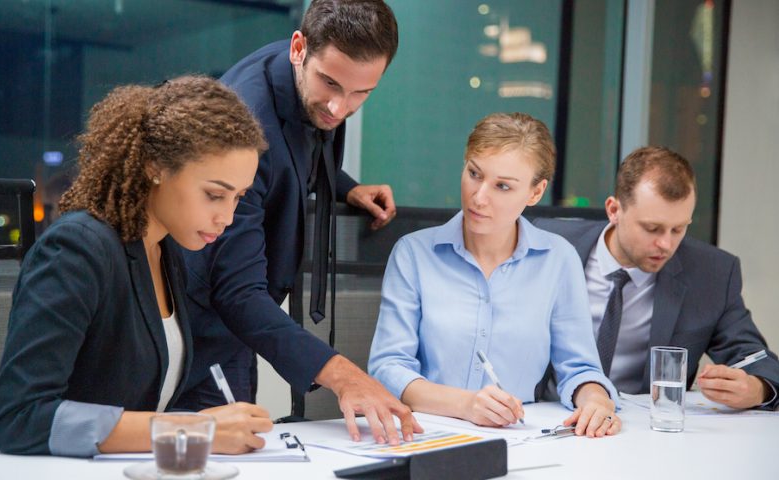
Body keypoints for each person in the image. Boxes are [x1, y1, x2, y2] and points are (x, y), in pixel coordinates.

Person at [0, 75, 274, 456]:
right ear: (155, 167)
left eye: (238, 198)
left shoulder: (164, 251)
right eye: (214, 195)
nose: (226, 216)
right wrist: (192, 429)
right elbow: (21, 418)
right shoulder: (77, 249)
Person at [180, 0, 419, 444]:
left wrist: (343, 185)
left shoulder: (315, 76)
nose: (338, 106)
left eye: (360, 94)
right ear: (299, 48)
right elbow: (234, 289)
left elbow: (305, 145)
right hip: (201, 325)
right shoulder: (246, 129)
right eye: (329, 83)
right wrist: (343, 375)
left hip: (241, 321)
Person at [368, 113, 621, 438]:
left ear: (535, 192)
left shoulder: (558, 260)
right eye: (474, 173)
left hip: (519, 438)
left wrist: (596, 401)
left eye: (502, 186)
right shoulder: (414, 254)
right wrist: (467, 405)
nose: (479, 196)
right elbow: (389, 367)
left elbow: (580, 368)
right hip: (426, 436)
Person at [535, 146, 779, 410]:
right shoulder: (547, 244)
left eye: (678, 229)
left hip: (642, 429)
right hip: (548, 415)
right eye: (652, 228)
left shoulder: (712, 273)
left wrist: (758, 388)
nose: (666, 244)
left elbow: (754, 357)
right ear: (614, 210)